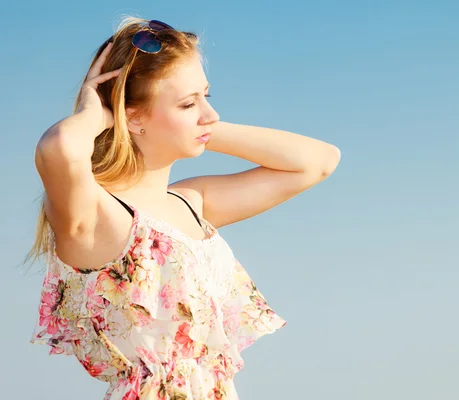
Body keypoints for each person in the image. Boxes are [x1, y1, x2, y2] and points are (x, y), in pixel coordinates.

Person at [28, 17, 340, 399]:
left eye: (206, 96)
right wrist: (98, 115)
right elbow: (56, 149)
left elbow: (318, 161)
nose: (210, 114)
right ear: (133, 115)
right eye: (189, 103)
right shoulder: (99, 215)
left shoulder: (190, 202)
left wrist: (196, 126)